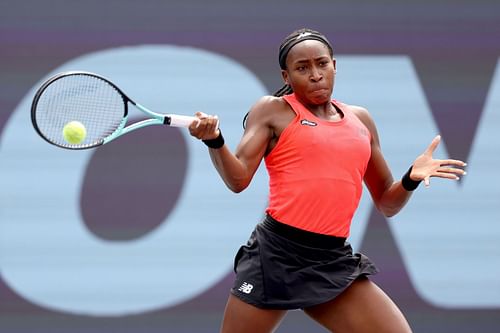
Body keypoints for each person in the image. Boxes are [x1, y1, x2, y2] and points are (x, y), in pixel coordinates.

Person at [188, 28, 466, 333]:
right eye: (302, 68)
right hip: (275, 255)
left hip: (331, 259)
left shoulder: (361, 120)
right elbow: (238, 179)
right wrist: (214, 140)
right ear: (286, 76)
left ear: (334, 65)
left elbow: (388, 202)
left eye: (322, 64)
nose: (316, 74)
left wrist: (410, 178)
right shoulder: (273, 110)